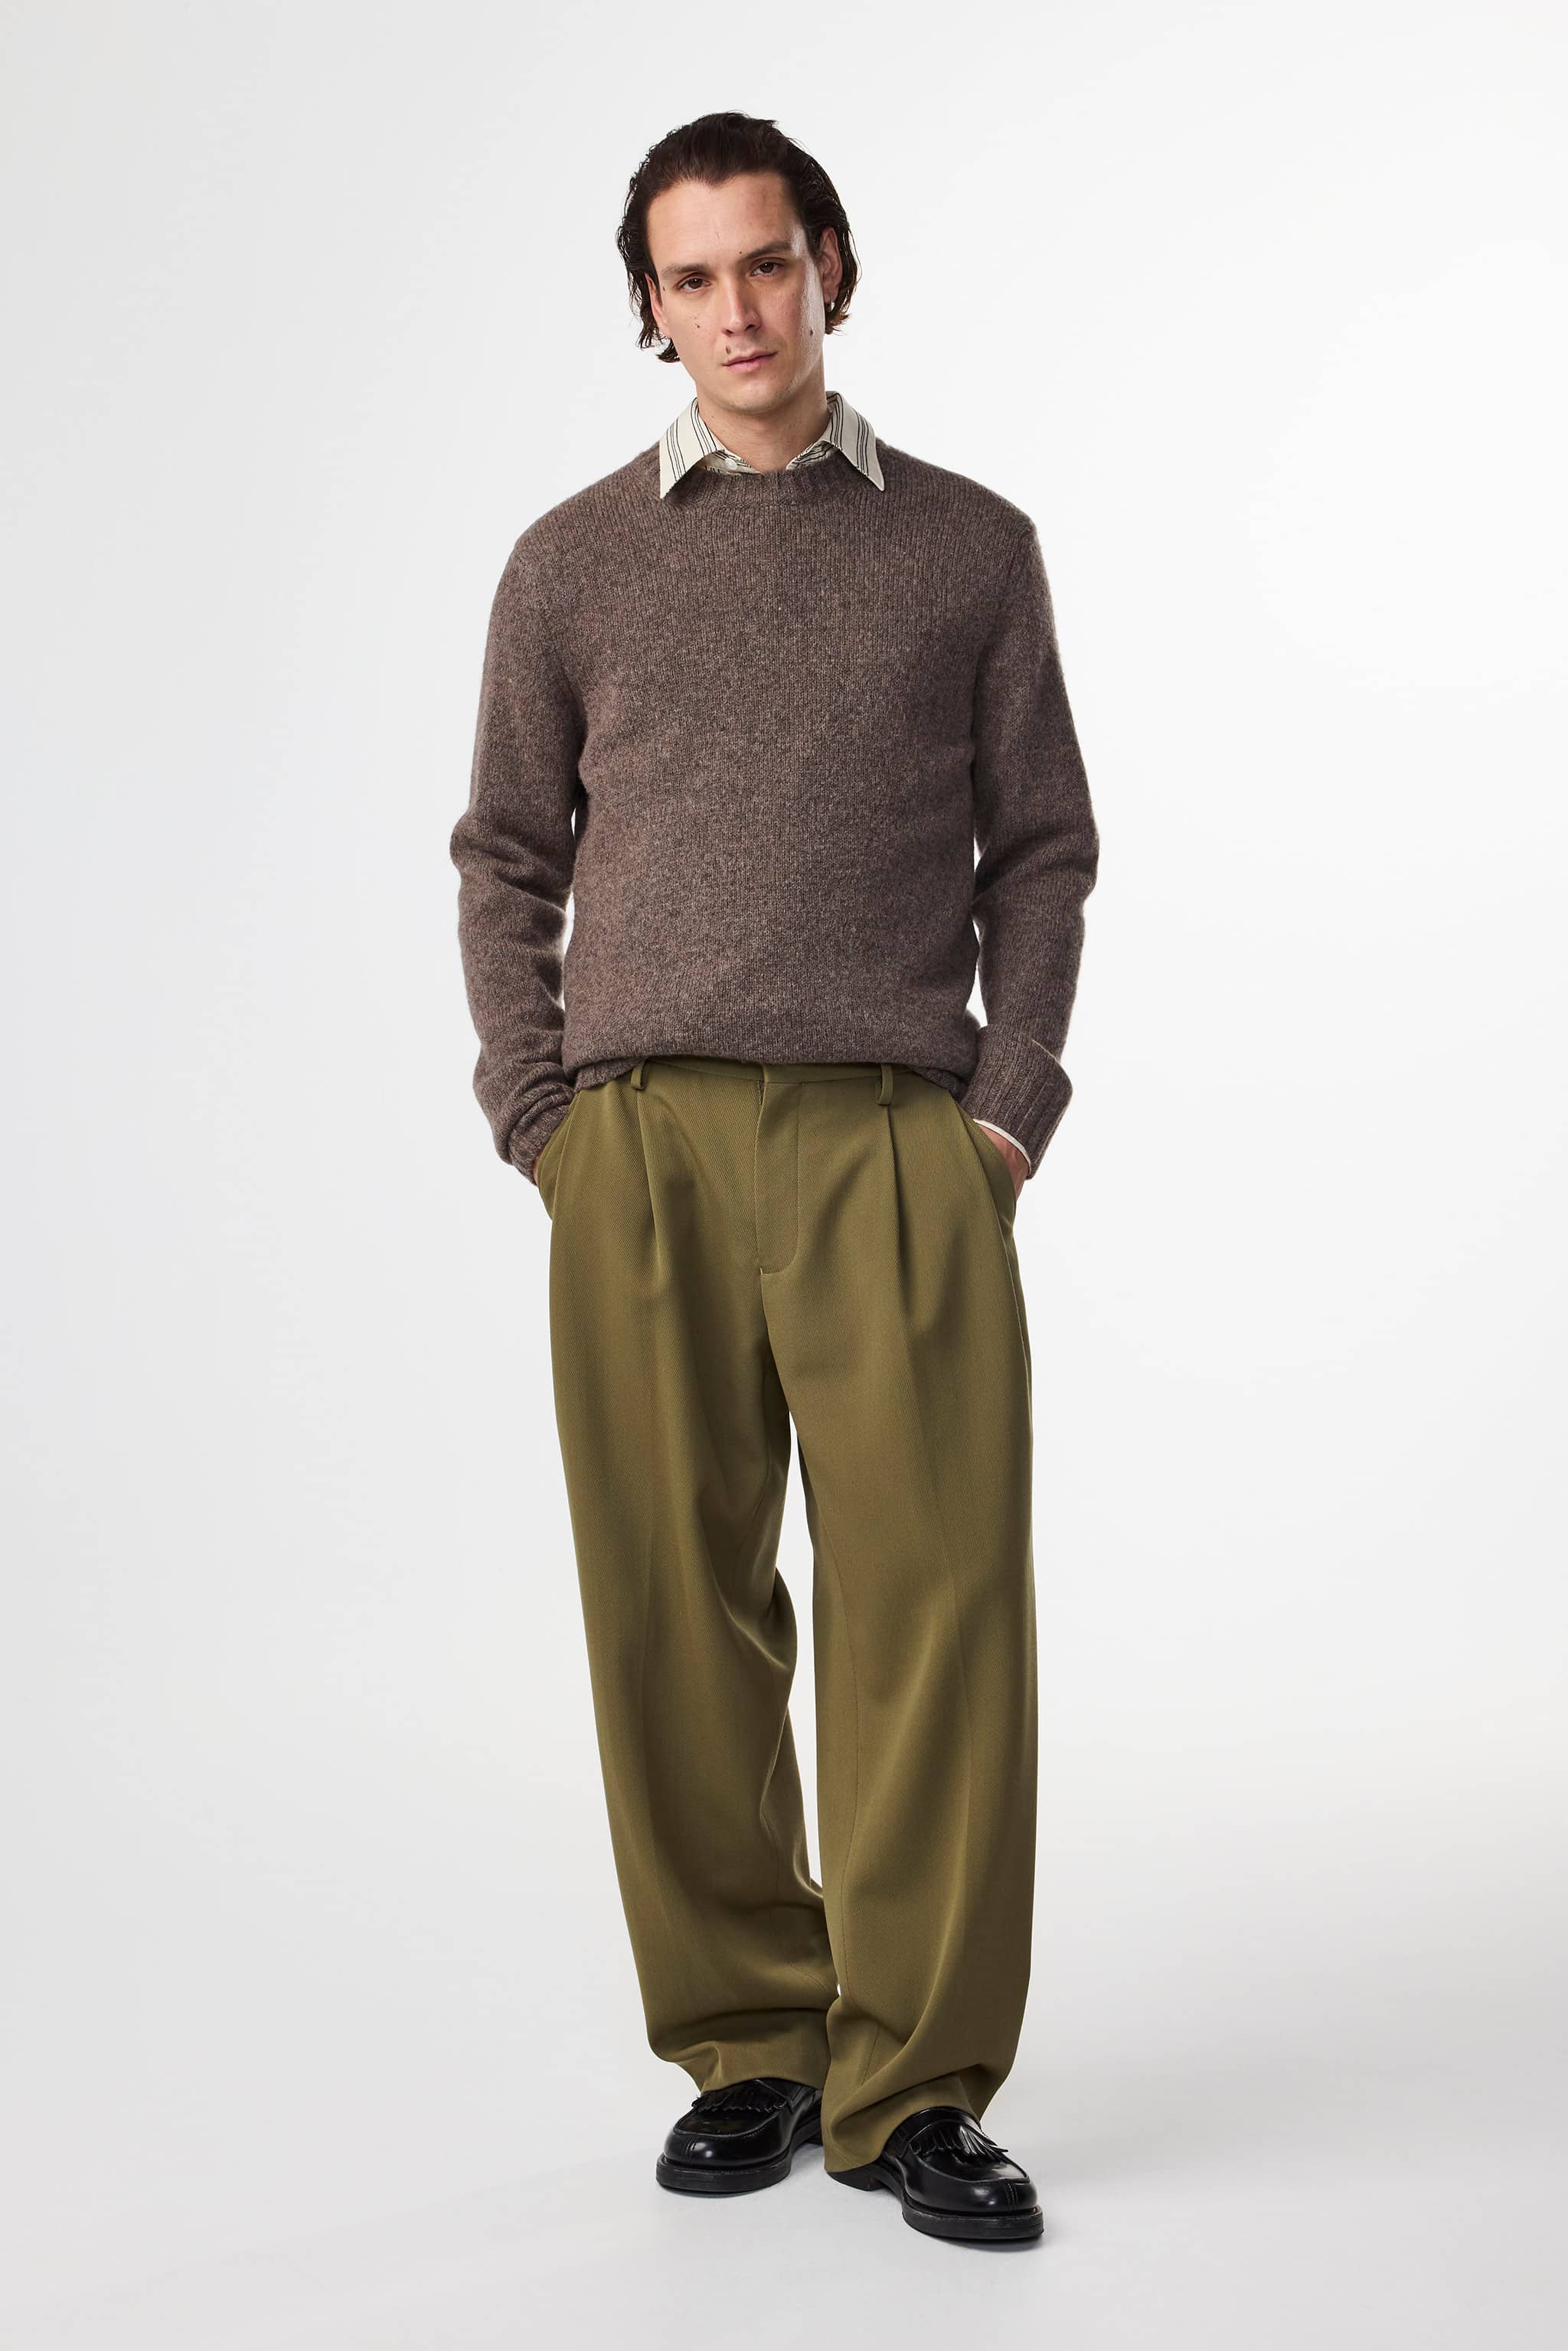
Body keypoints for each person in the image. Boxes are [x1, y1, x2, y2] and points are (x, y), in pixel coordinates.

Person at [449, 109, 1098, 2249]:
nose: (736, 308)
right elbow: (506, 857)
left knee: (937, 1614)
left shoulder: (970, 549)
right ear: (650, 307)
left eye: (766, 261)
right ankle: (753, 2041)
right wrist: (541, 1116)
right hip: (637, 1146)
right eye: (691, 275)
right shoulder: (569, 563)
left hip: (898, 1139)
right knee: (674, 1606)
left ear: (831, 263)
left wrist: (1002, 1113)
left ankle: (918, 2085)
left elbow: (1046, 848)